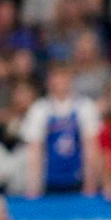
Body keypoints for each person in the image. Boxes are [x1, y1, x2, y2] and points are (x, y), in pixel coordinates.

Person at [18, 64, 99, 197]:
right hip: (49, 181)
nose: (60, 82)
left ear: (71, 80)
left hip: (78, 179)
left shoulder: (85, 106)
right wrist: (33, 188)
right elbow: (34, 152)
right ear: (49, 82)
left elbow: (90, 148)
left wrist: (90, 185)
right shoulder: (39, 109)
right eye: (56, 77)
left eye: (64, 77)